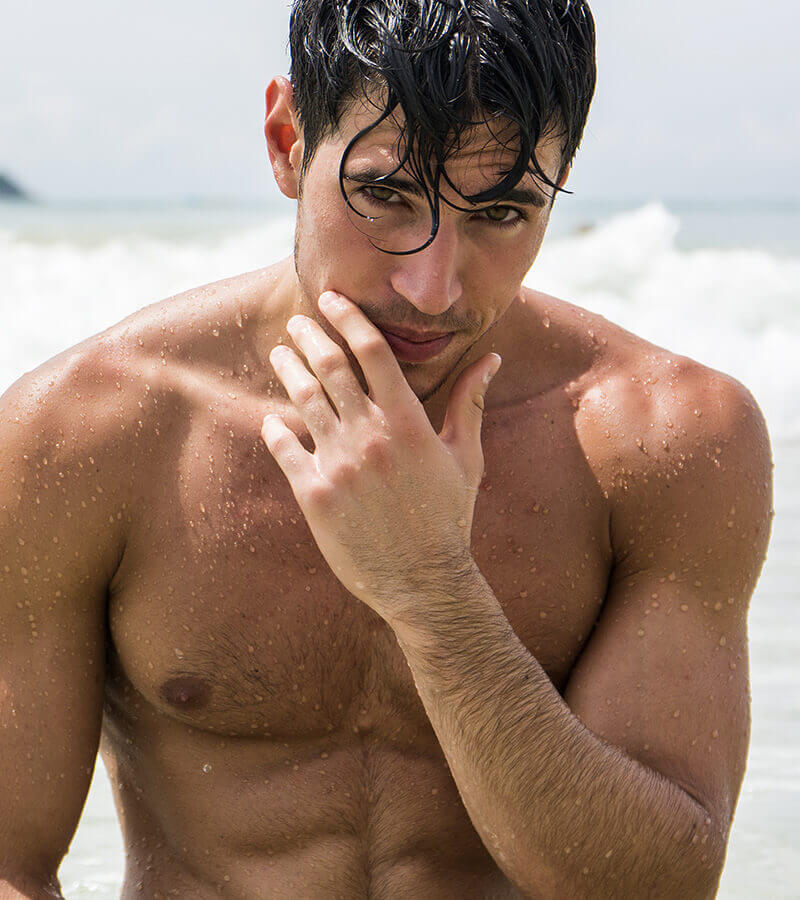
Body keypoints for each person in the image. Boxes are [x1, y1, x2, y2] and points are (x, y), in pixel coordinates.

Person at [0, 0, 773, 896]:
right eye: (384, 194)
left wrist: (433, 591)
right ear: (289, 141)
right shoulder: (85, 435)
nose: (432, 285)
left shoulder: (662, 440)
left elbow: (661, 886)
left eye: (503, 210)